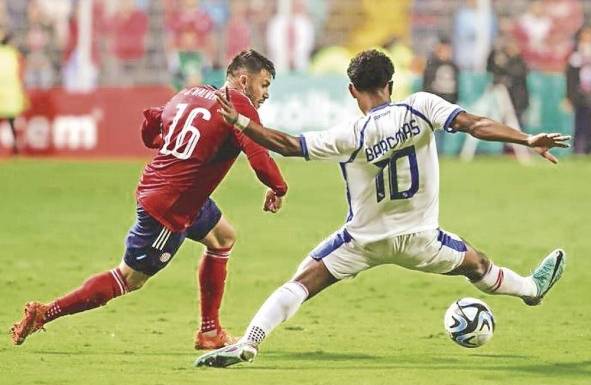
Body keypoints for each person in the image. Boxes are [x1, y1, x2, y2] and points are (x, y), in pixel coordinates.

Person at [195, 49, 569, 368]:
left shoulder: (348, 134)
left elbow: (287, 144)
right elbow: (475, 124)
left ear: (352, 90)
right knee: (479, 264)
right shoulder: (422, 106)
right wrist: (525, 138)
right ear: (391, 83)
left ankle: (250, 341)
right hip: (422, 239)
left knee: (301, 283)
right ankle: (531, 289)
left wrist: (242, 121)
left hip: (362, 241)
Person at [10, 49, 288, 350]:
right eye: (264, 85)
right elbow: (260, 158)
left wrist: (174, 149)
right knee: (129, 278)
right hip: (172, 207)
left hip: (178, 194)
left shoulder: (192, 92)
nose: (267, 94)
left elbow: (152, 125)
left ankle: (210, 332)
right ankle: (44, 313)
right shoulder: (239, 107)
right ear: (244, 81)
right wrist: (278, 187)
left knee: (223, 237)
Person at [566, 25, 591, 154]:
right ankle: (579, 150)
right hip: (581, 94)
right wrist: (569, 96)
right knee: (580, 124)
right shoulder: (576, 54)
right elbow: (571, 77)